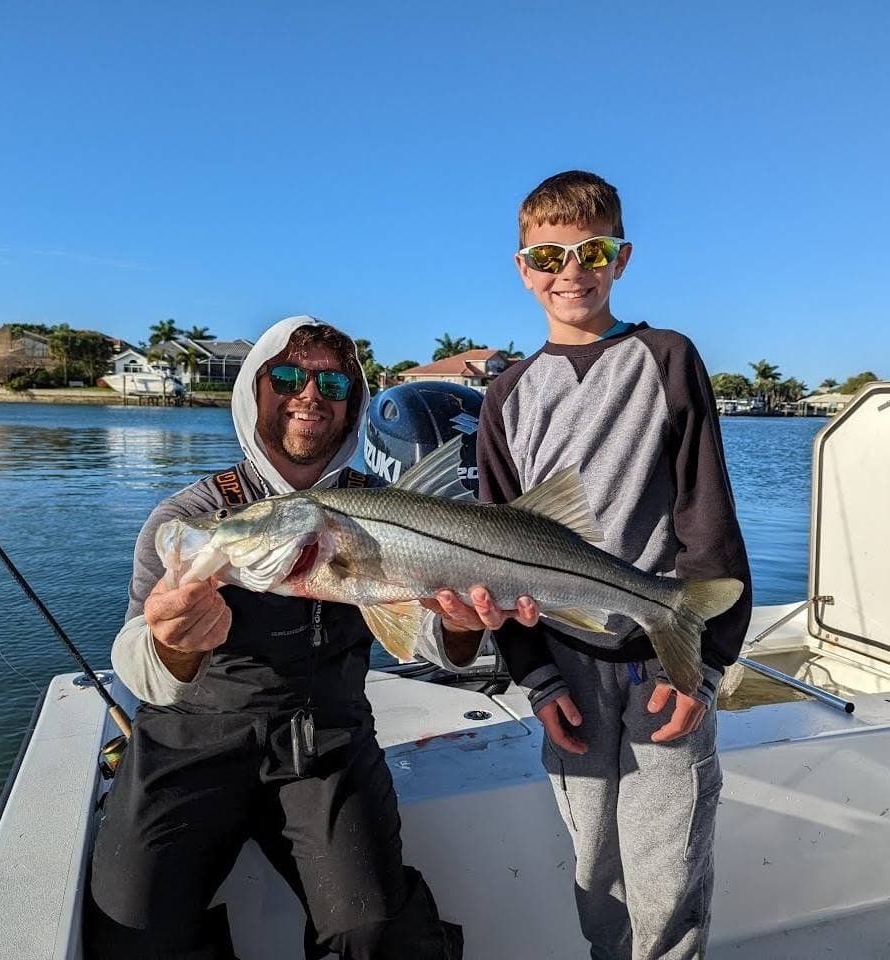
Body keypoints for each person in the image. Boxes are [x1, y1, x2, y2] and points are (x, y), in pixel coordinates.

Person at [87, 316, 507, 959]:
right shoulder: (189, 516)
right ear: (253, 392)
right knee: (131, 930)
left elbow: (423, 635)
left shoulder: (389, 509)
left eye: (331, 382)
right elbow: (136, 667)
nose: (309, 394)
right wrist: (174, 640)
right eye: (285, 376)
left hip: (327, 745)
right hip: (187, 743)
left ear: (354, 403)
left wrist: (455, 625)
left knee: (375, 933)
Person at [438, 170, 754, 960]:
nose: (570, 271)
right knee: (595, 870)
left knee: (668, 870)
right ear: (521, 267)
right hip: (567, 670)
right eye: (548, 256)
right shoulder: (506, 395)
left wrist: (703, 666)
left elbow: (705, 514)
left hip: (660, 660)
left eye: (592, 250)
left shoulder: (668, 357)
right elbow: (497, 552)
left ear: (622, 257)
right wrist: (535, 678)